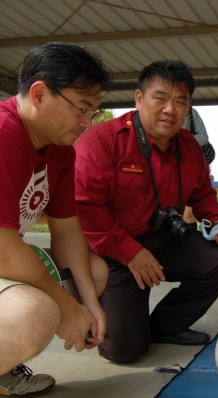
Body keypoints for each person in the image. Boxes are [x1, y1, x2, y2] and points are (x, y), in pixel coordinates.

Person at [74, 60, 218, 363]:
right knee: (125, 351)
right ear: (139, 99)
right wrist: (130, 254)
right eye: (160, 98)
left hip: (165, 240)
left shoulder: (189, 146)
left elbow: (203, 195)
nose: (170, 110)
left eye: (180, 102)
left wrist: (217, 221)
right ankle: (93, 301)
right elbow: (87, 208)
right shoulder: (102, 141)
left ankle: (165, 326)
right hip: (114, 250)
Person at [0, 42, 110, 395]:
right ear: (39, 93)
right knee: (36, 314)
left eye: (93, 111)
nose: (86, 122)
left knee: (92, 273)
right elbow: (3, 250)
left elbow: (65, 230)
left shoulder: (59, 150)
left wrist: (89, 305)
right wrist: (66, 308)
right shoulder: (4, 136)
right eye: (81, 108)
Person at [182, 107, 215, 223]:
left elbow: (203, 137)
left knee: (188, 215)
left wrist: (182, 140)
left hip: (188, 163)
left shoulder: (191, 112)